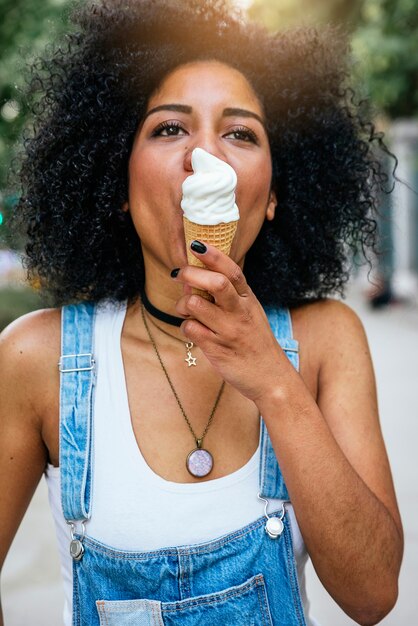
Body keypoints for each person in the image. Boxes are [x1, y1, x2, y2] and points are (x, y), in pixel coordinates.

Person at [0, 1, 403, 625]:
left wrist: (274, 381)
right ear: (120, 181)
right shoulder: (36, 358)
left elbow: (374, 595)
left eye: (240, 133)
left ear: (270, 197)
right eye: (169, 129)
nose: (205, 157)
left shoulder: (327, 339)